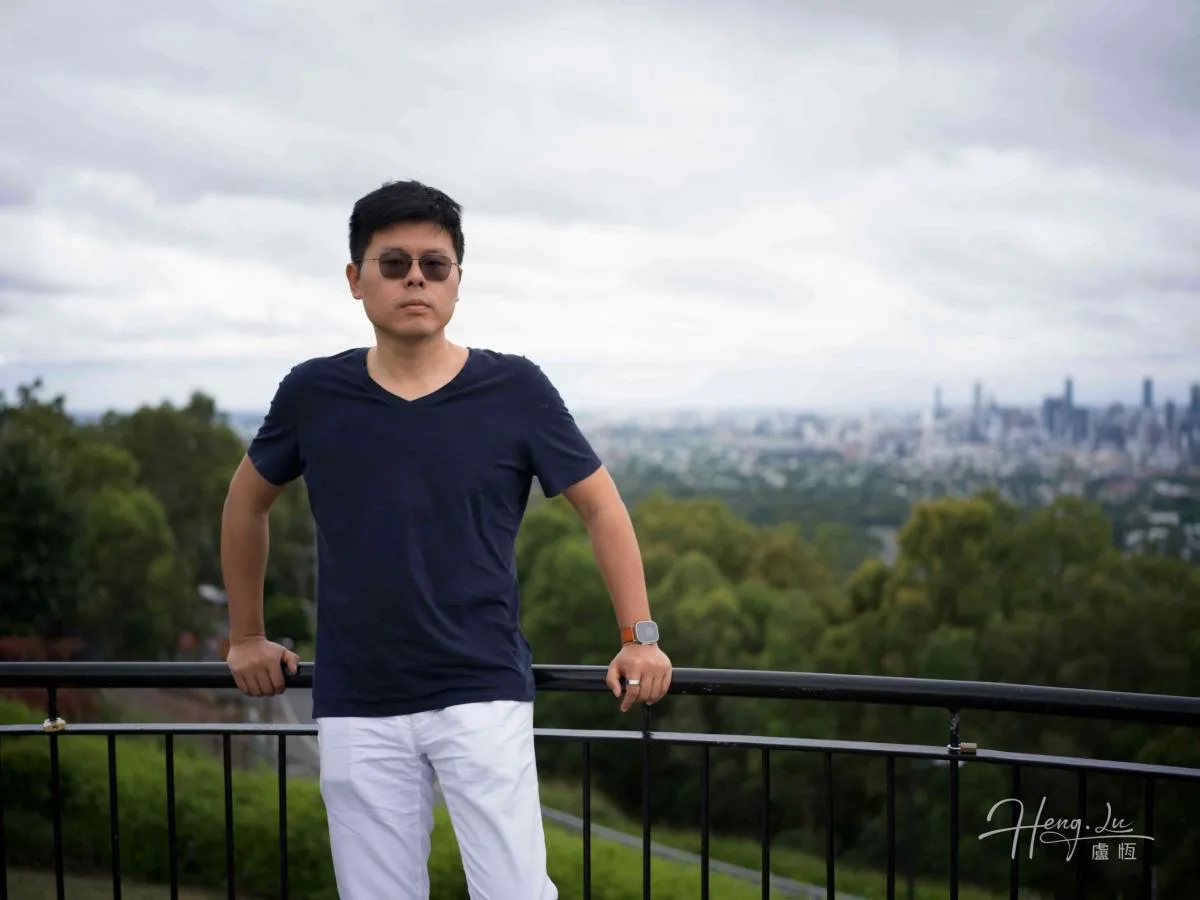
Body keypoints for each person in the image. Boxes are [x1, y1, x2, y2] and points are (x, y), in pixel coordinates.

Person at [219, 179, 672, 899]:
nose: (415, 280)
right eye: (393, 263)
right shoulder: (313, 394)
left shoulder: (515, 389)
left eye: (435, 265)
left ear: (458, 280)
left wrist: (639, 636)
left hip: (481, 691)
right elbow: (246, 503)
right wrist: (246, 637)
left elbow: (603, 509)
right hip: (357, 698)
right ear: (355, 279)